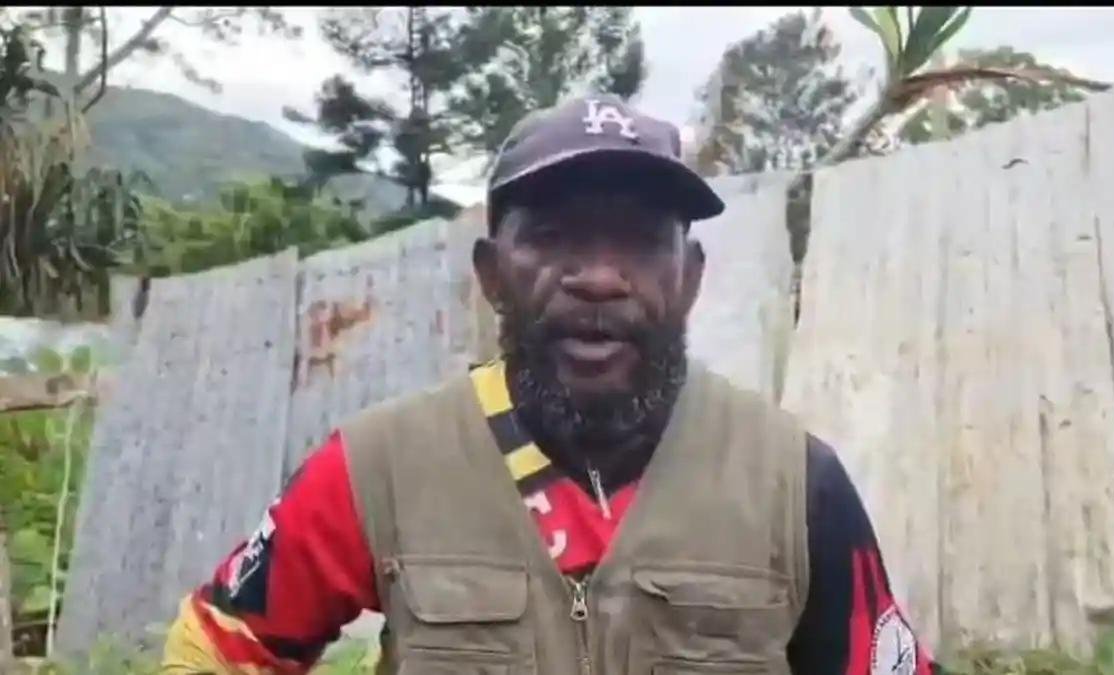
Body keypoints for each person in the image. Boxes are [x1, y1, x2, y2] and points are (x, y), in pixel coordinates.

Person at [162, 94, 937, 675]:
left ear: (690, 279)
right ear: (492, 275)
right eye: (553, 235)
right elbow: (217, 646)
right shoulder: (378, 468)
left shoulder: (794, 484)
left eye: (640, 240)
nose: (598, 277)